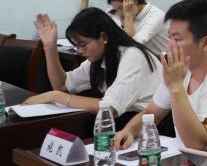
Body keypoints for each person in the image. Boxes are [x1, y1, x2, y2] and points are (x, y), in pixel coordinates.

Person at [113, 0, 207, 156]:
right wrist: (129, 131)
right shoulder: (182, 70)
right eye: (169, 37)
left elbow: (197, 144)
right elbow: (152, 112)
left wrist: (176, 87)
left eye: (177, 39)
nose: (169, 46)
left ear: (206, 43)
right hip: (198, 162)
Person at [24, 9, 159, 118]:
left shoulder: (133, 55)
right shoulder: (100, 58)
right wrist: (50, 47)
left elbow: (110, 108)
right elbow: (61, 85)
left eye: (84, 45)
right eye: (77, 46)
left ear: (104, 37)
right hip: (127, 120)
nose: (80, 51)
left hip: (152, 125)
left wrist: (56, 96)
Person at [80, 0, 169, 57]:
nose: (119, 13)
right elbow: (88, 26)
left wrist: (128, 17)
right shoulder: (117, 11)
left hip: (162, 62)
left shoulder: (156, 16)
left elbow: (132, 46)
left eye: (121, 8)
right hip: (137, 60)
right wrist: (84, 0)